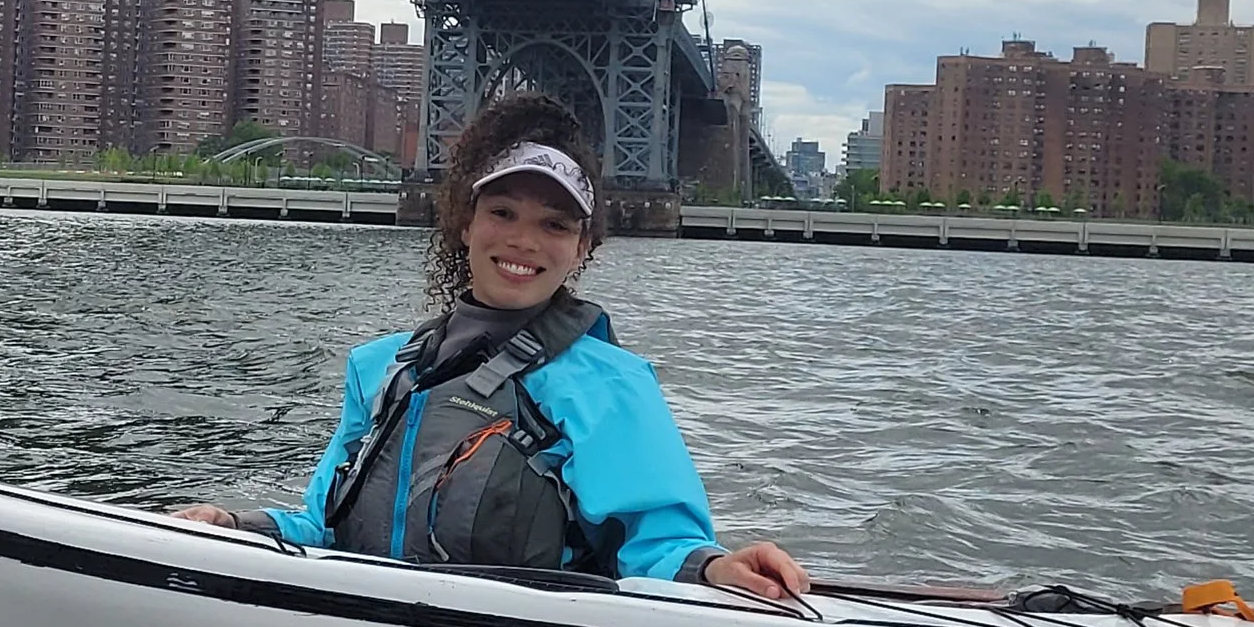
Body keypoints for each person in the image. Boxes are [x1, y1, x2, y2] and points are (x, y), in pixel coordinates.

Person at [175, 92, 808, 599]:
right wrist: (238, 524)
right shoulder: (380, 368)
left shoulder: (608, 381)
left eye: (554, 225)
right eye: (502, 212)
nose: (524, 241)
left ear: (582, 248)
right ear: (466, 222)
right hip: (372, 616)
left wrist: (714, 569)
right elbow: (325, 526)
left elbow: (656, 542)